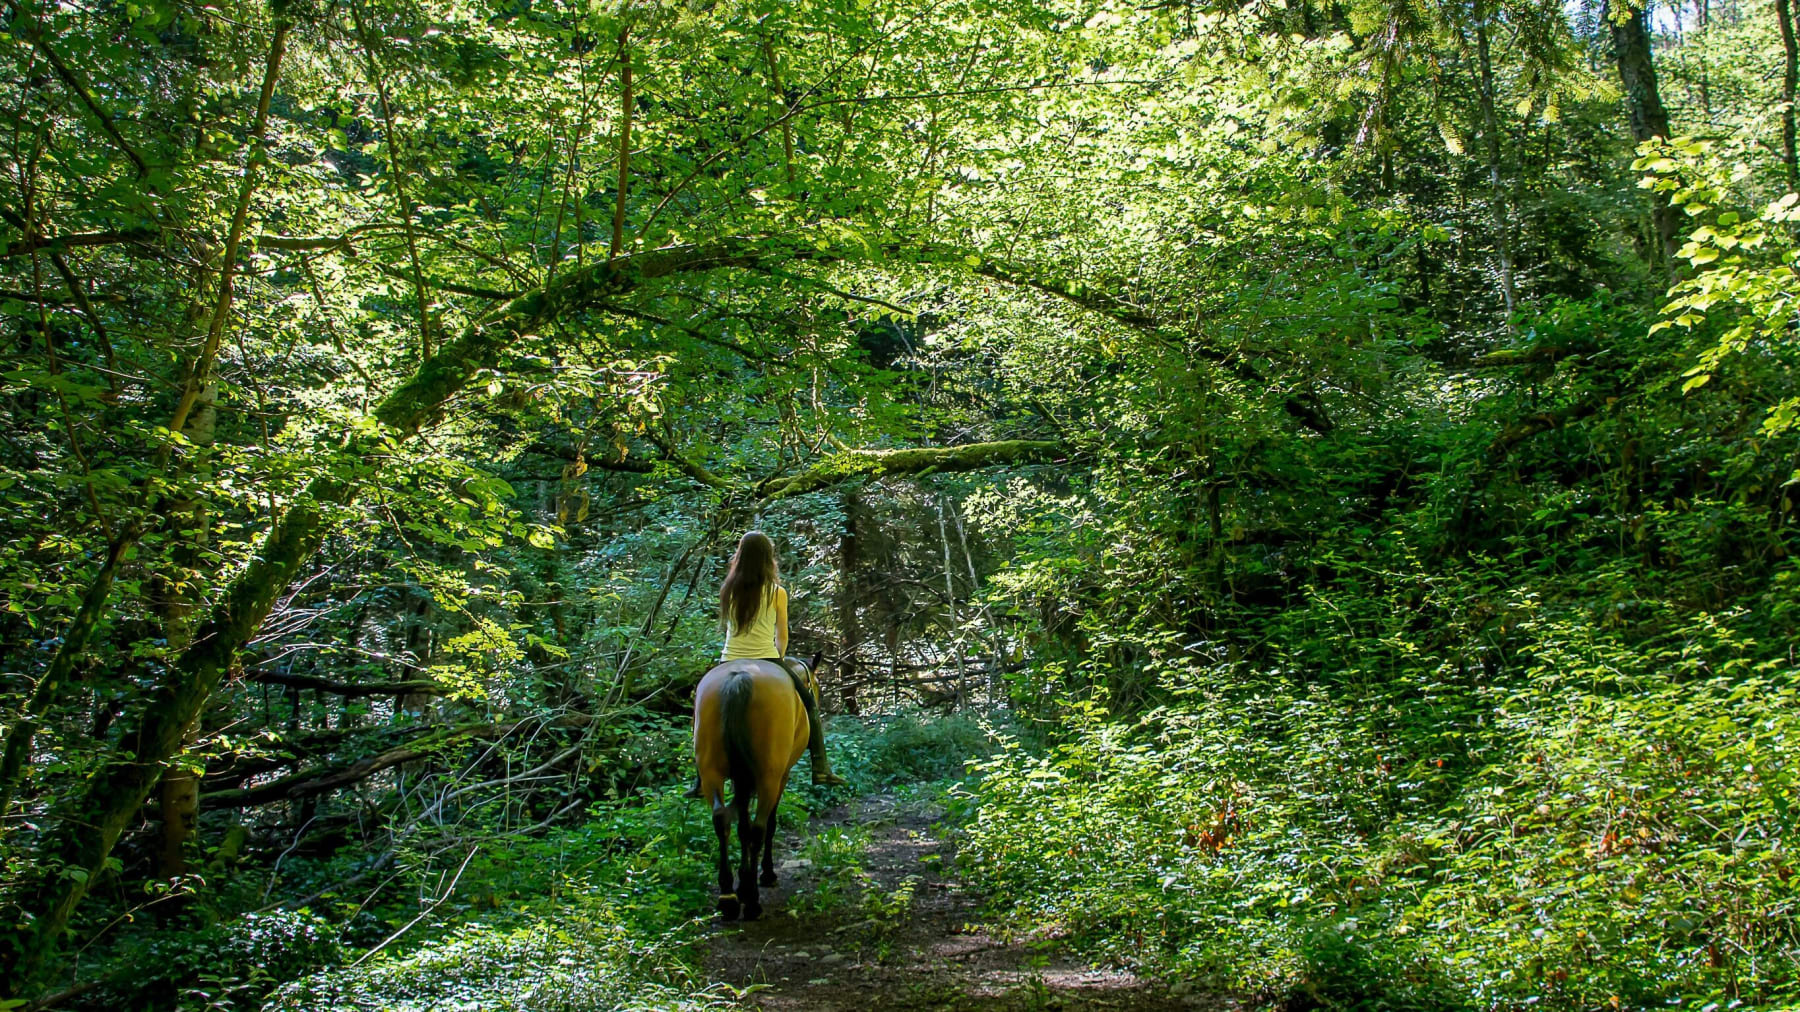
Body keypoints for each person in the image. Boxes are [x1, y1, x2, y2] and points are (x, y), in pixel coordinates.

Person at [685, 531, 846, 797]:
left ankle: (701, 777)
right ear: (768, 559)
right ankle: (820, 766)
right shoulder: (777, 592)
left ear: (740, 556)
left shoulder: (728, 589)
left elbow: (729, 629)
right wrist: (778, 659)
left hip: (729, 659)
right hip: (766, 657)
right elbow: (782, 636)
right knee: (808, 703)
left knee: (701, 708)